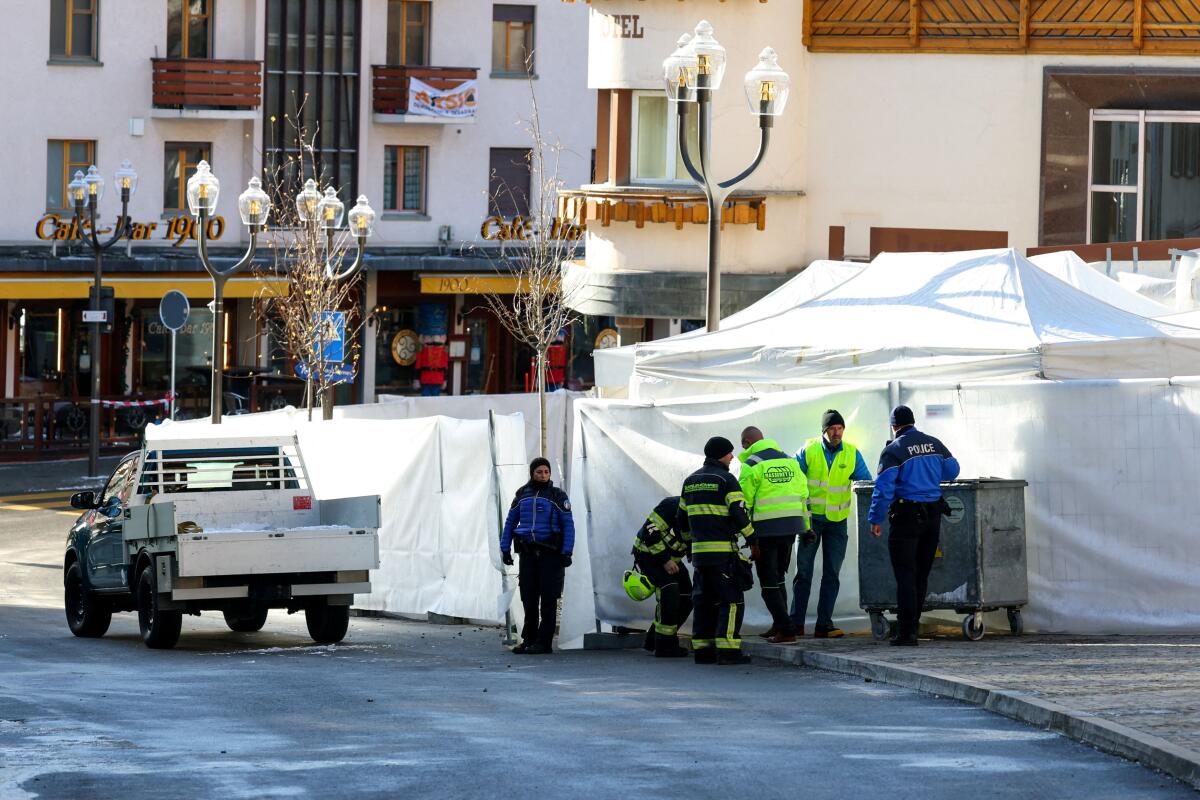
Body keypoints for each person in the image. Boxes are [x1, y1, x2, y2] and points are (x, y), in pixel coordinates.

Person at [867, 405, 960, 647]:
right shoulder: (934, 443)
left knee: (906, 574)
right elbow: (953, 470)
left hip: (907, 516)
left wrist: (875, 519)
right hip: (932, 516)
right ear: (913, 422)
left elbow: (884, 487)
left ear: (894, 426)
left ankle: (907, 633)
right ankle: (913, 625)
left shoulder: (894, 450)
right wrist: (928, 475)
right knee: (921, 574)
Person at [790, 409, 872, 639]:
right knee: (803, 573)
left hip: (837, 522)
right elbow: (794, 483)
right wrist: (801, 520)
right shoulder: (809, 450)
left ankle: (823, 624)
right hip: (810, 522)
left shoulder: (851, 453)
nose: (837, 433)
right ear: (824, 431)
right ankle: (795, 624)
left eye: (840, 429)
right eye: (832, 429)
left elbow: (865, 481)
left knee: (831, 574)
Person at [678, 436, 755, 665]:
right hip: (723, 554)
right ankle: (729, 651)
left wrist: (689, 546)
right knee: (731, 601)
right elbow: (739, 513)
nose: (732, 457)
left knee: (703, 601)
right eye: (730, 453)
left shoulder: (690, 481)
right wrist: (753, 537)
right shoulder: (726, 479)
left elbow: (681, 519)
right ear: (721, 454)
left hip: (700, 556)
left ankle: (703, 651)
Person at [738, 426, 810, 645]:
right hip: (791, 528)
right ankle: (780, 624)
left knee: (768, 583)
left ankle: (786, 630)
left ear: (747, 442)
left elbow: (744, 503)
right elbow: (804, 497)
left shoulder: (751, 465)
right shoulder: (791, 461)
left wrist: (746, 534)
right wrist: (806, 527)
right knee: (779, 579)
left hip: (766, 530)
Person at [501, 457, 575, 655]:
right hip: (527, 553)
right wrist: (505, 548)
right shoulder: (522, 494)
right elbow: (510, 522)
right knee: (529, 597)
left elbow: (568, 525)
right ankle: (529, 639)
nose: (543, 475)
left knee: (549, 599)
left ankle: (544, 642)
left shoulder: (558, 495)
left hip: (551, 554)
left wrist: (566, 552)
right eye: (539, 472)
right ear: (532, 473)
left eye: (546, 472)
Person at [631, 496, 692, 658]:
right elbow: (650, 531)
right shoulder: (671, 505)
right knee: (670, 591)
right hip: (648, 554)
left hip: (673, 559)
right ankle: (665, 646)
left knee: (687, 597)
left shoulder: (701, 511)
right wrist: (664, 560)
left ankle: (653, 640)